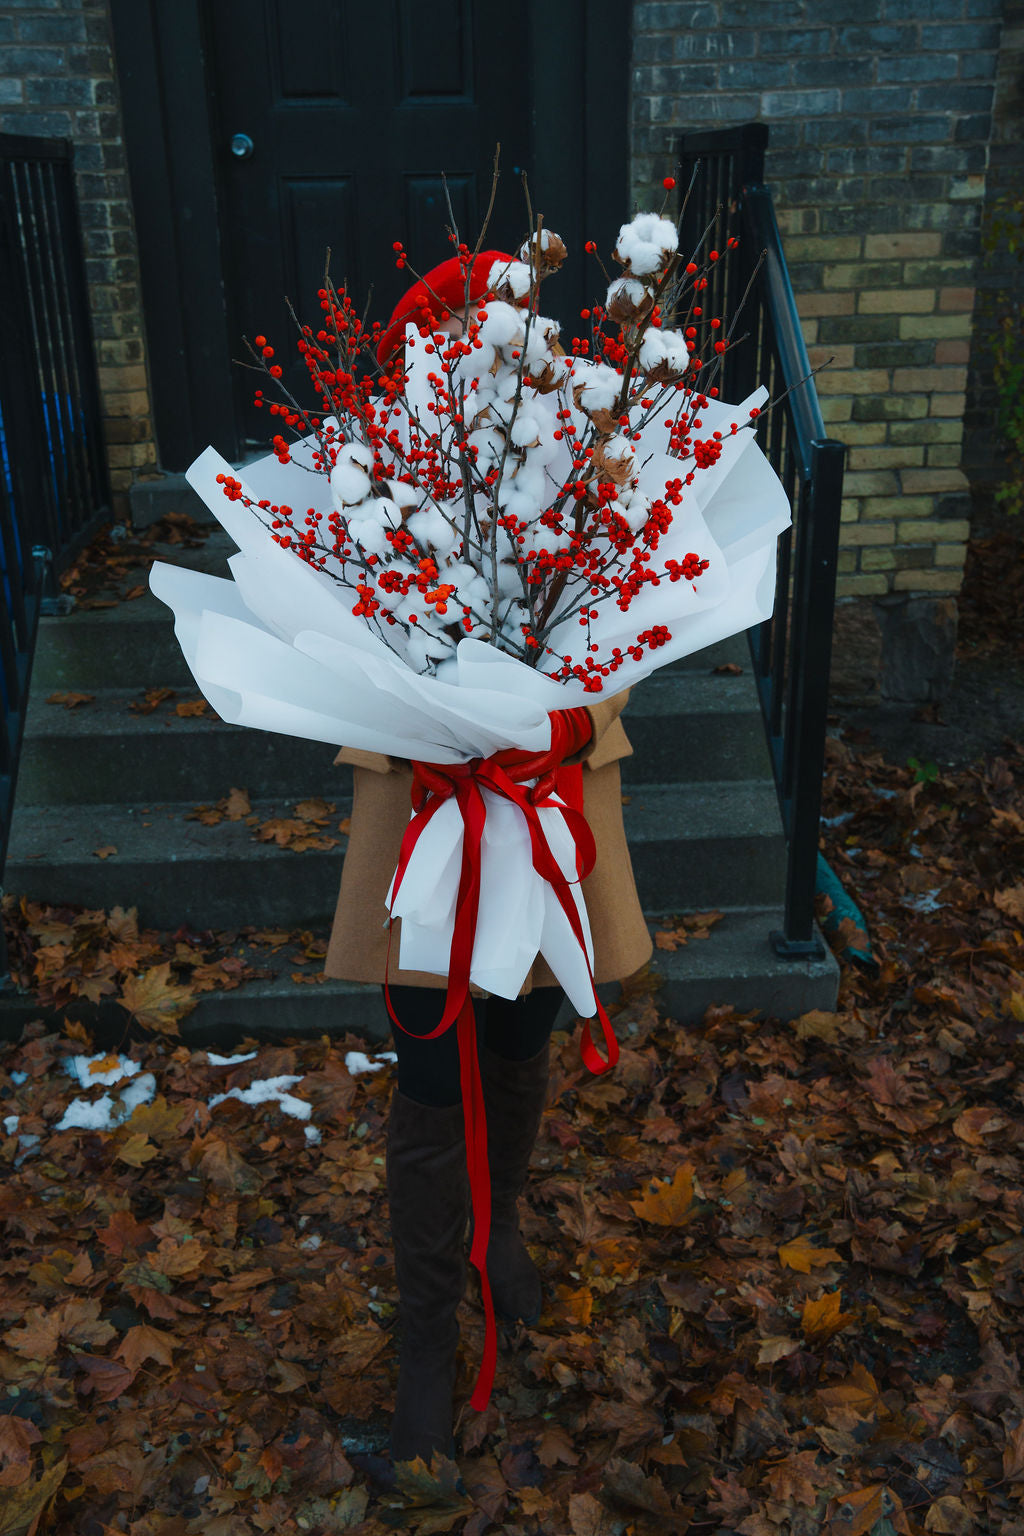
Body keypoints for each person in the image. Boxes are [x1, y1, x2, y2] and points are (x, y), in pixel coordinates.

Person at [322, 258, 653, 1463]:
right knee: (424, 1069)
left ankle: (496, 1230)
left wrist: (549, 715)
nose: (477, 366)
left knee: (519, 1035)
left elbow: (634, 609)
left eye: (496, 345)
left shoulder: (584, 461)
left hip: (555, 785)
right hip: (423, 795)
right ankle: (424, 1341)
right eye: (452, 347)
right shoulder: (378, 481)